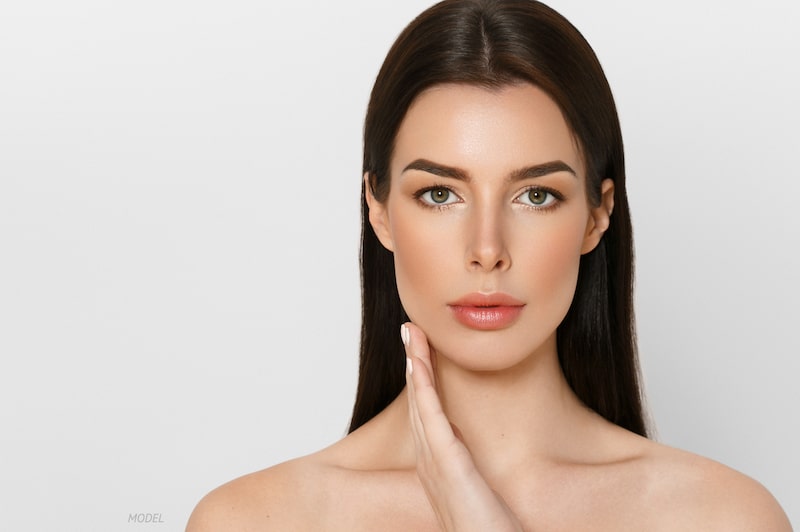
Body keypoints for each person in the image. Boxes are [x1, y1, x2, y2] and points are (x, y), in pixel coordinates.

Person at [186, 1, 791, 530]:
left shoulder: (723, 518)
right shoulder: (250, 521)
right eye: (440, 194)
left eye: (536, 195)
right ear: (379, 210)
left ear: (596, 215)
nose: (486, 248)